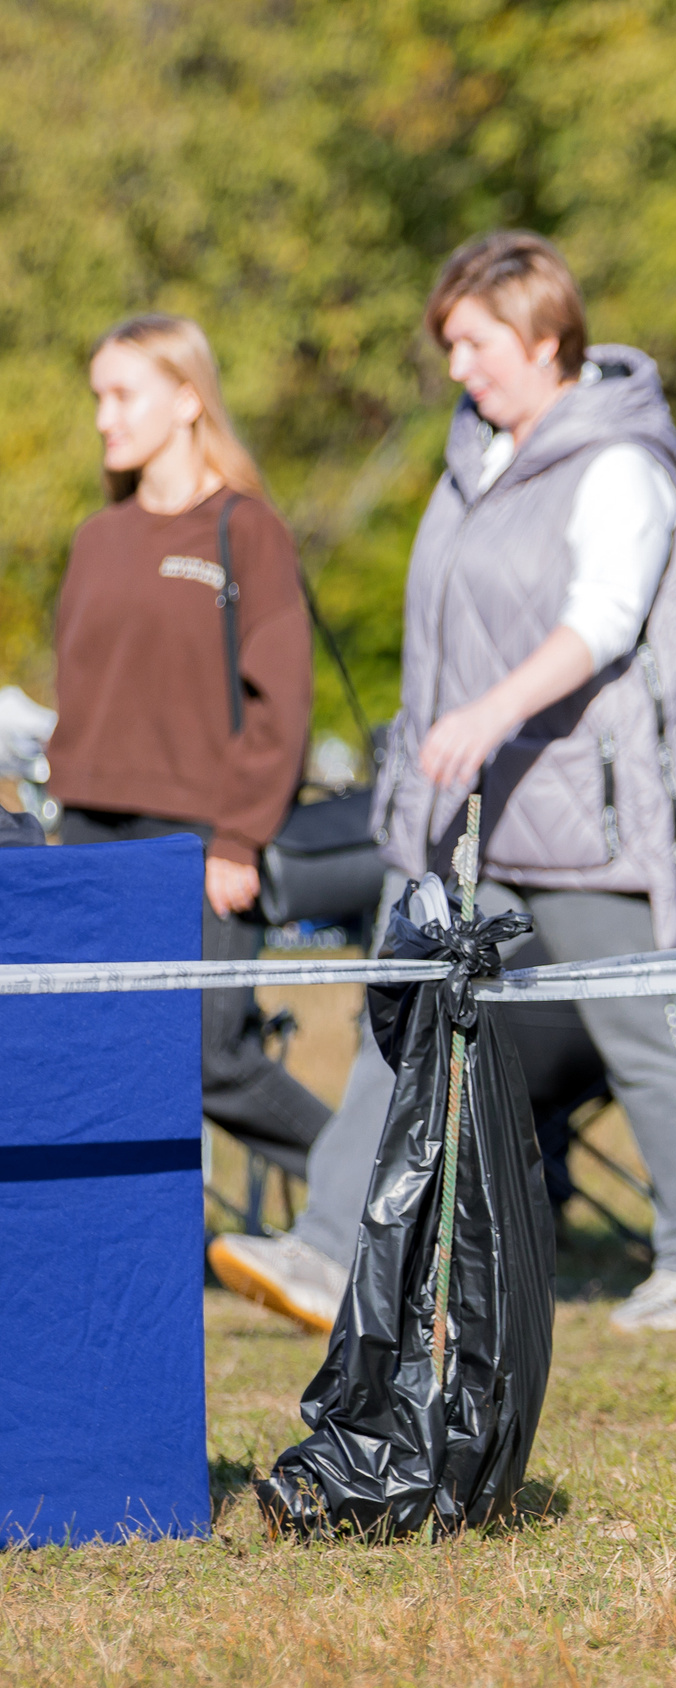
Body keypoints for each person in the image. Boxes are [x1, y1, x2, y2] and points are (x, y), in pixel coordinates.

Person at [213, 232, 676, 1337]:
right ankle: (327, 1251)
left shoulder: (620, 465)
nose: (457, 365)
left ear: (544, 335)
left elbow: (603, 622)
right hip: (461, 816)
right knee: (406, 1010)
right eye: (449, 344)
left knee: (642, 1031)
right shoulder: (474, 462)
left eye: (473, 342)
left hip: (589, 814)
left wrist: (488, 713)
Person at [48, 315, 328, 1187]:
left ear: (186, 397)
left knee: (213, 1057)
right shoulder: (98, 540)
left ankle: (389, 1200)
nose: (104, 416)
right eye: (99, 395)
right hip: (93, 841)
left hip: (203, 843)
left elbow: (282, 704)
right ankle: (127, 1257)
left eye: (122, 394)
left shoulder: (246, 530)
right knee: (102, 1066)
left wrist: (239, 838)